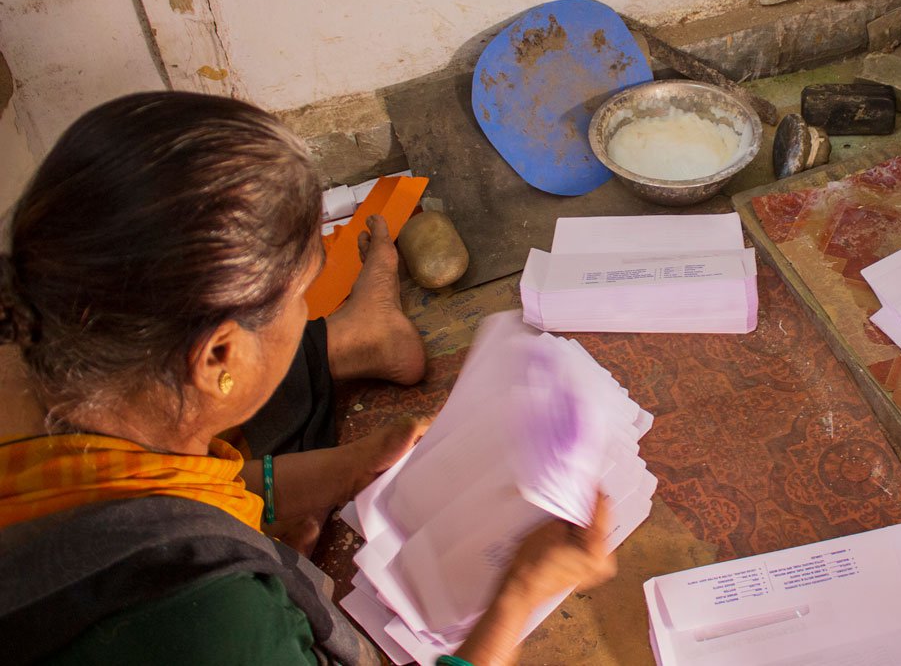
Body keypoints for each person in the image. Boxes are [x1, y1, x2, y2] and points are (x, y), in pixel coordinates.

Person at [0, 91, 615, 665]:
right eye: (304, 297)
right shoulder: (211, 619)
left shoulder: (32, 338)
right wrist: (519, 594)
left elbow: (135, 492)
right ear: (218, 358)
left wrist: (346, 469)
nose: (307, 316)